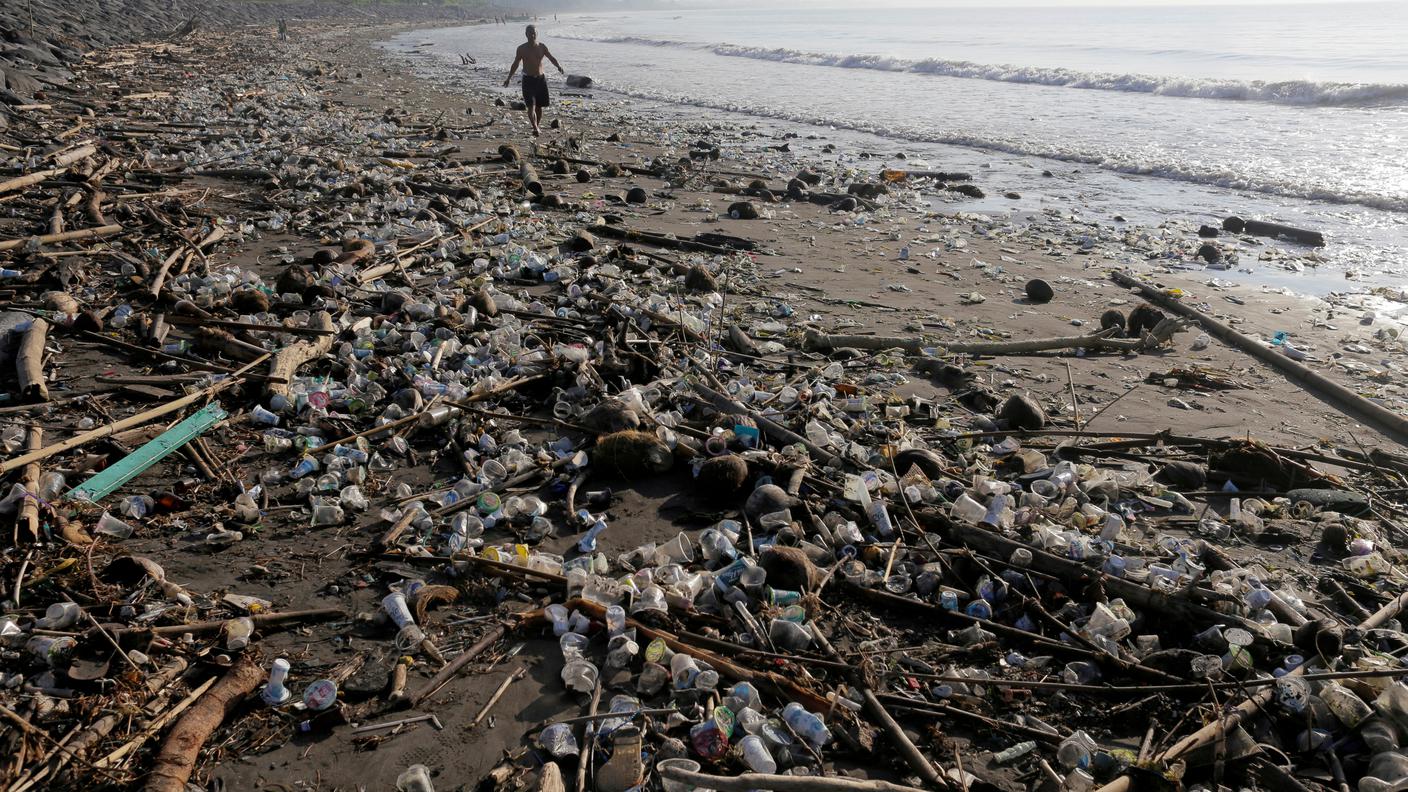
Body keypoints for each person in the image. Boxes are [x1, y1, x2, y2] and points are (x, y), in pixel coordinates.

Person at [503, 25, 564, 137]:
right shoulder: (521, 48)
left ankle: (537, 126)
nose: (532, 35)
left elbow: (551, 58)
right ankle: (535, 127)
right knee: (531, 105)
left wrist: (558, 66)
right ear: (526, 34)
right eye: (530, 33)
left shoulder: (542, 47)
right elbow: (515, 64)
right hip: (528, 80)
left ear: (537, 34)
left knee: (539, 107)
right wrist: (508, 78)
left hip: (540, 80)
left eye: (534, 33)